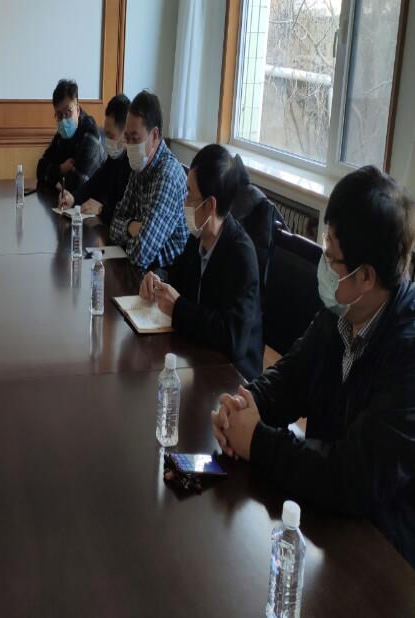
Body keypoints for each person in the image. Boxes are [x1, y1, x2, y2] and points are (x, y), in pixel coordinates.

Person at [210, 166, 415, 567]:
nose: (323, 263)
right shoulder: (342, 312)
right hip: (324, 519)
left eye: (331, 255)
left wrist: (259, 442)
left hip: (382, 550)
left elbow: (354, 477)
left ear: (366, 276)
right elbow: (292, 376)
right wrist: (246, 404)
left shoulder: (407, 354)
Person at [139, 144, 263, 380]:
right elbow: (175, 273)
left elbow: (232, 338)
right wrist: (157, 278)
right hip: (195, 354)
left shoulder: (241, 255)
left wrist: (178, 308)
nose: (184, 201)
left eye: (189, 194)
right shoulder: (197, 237)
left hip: (232, 376)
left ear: (209, 205)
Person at [109, 90, 188, 272]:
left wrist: (132, 233)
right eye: (127, 138)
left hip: (167, 275)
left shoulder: (167, 177)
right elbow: (114, 224)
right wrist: (131, 227)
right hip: (142, 270)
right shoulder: (140, 167)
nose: (129, 145)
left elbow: (141, 254)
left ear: (154, 136)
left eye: (135, 138)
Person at [58, 93, 131, 226]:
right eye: (105, 134)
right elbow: (93, 185)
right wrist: (73, 198)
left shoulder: (135, 165)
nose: (107, 140)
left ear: (126, 134)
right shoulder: (114, 158)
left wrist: (102, 210)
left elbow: (128, 214)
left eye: (110, 135)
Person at [36, 78, 105, 193]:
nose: (63, 119)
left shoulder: (91, 132)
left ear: (77, 110)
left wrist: (54, 179)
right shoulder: (61, 134)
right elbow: (40, 169)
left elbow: (76, 184)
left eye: (68, 112)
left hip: (92, 200)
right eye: (59, 115)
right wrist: (60, 169)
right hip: (64, 200)